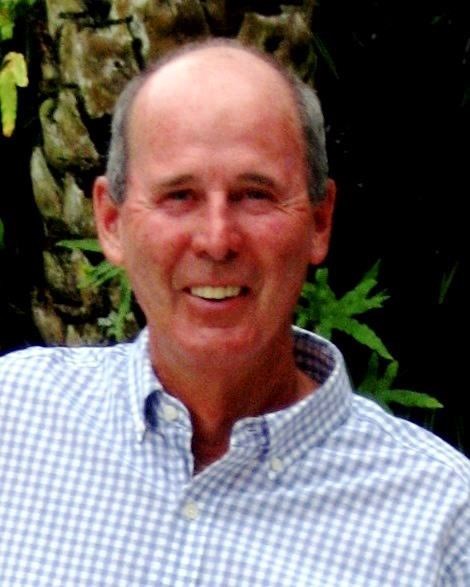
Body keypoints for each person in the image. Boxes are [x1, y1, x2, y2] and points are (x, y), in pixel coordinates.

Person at [0, 39, 468, 586]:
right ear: (111, 222)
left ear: (319, 222)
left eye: (255, 195)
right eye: (179, 195)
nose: (217, 240)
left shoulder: (442, 521)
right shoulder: (14, 421)